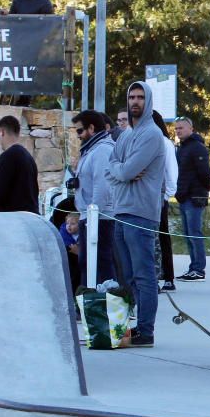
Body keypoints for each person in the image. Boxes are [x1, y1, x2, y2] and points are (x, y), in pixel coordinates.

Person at [105, 81, 165, 348]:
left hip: (141, 212)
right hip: (121, 210)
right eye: (132, 97)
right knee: (127, 276)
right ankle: (130, 326)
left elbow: (126, 171)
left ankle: (146, 330)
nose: (136, 102)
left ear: (148, 101)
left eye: (141, 97)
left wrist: (122, 172)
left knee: (144, 275)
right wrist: (122, 172)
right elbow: (113, 168)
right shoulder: (127, 134)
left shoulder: (151, 134)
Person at [71, 109, 116, 287]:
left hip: (100, 218)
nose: (78, 136)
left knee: (101, 264)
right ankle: (90, 303)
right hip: (91, 216)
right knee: (88, 263)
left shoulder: (102, 150)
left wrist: (93, 217)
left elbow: (102, 186)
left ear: (91, 128)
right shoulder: (91, 150)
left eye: (80, 131)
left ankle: (104, 305)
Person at [174, 116, 210, 282]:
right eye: (176, 128)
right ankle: (193, 267)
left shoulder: (197, 148)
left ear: (191, 129)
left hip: (194, 198)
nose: (178, 131)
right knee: (189, 234)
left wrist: (201, 191)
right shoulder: (182, 148)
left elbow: (205, 173)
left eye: (181, 127)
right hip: (184, 197)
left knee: (195, 233)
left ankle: (198, 269)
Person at [0, 115, 39, 213]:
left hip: (14, 219)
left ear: (2, 132)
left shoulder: (8, 156)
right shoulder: (28, 157)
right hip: (30, 217)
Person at [152, 109, 178, 292]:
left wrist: (165, 195)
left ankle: (168, 276)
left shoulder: (164, 143)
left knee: (162, 236)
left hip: (159, 199)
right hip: (145, 199)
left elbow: (171, 172)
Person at [59, 212, 81, 294]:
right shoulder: (64, 233)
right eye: (67, 223)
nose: (69, 226)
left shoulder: (83, 234)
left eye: (73, 224)